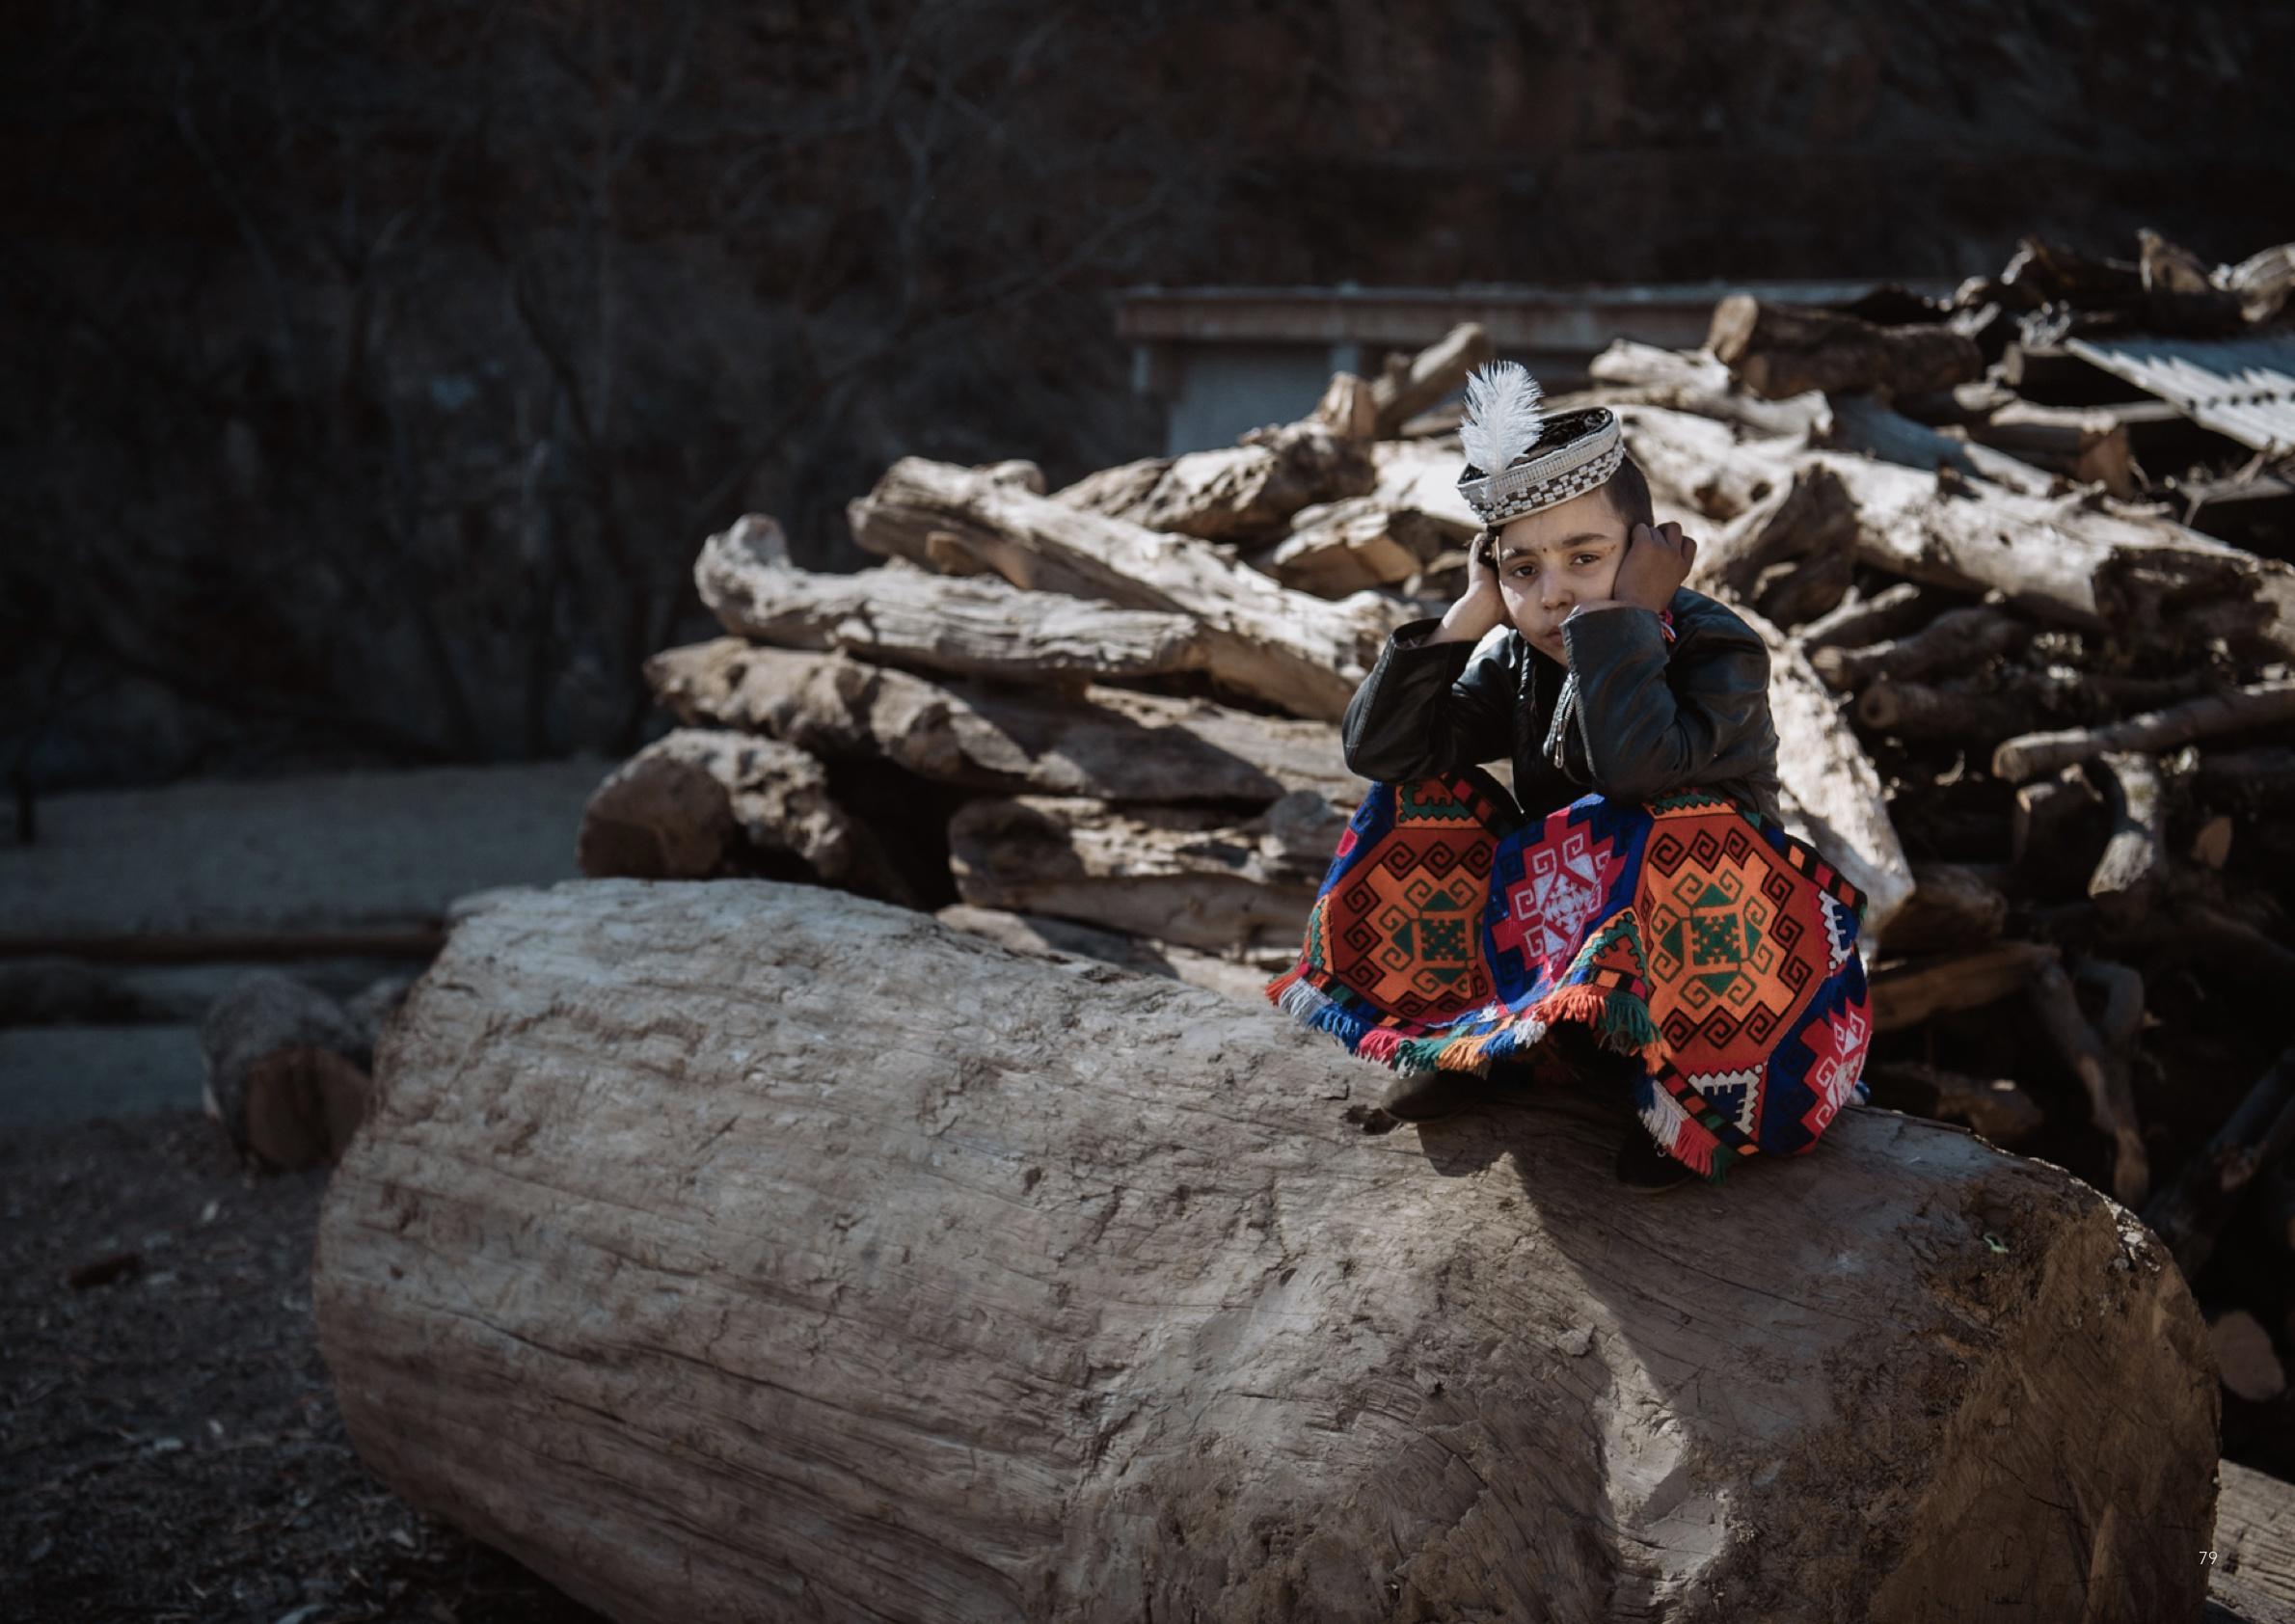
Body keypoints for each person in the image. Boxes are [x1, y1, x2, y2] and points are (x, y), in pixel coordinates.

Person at [1264, 361, 1873, 1194]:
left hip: (1724, 958)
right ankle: (1485, 1044)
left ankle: (1690, 1105)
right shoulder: (1518, 655)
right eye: (1524, 570)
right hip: (1583, 941)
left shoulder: (1718, 648)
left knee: (1652, 825)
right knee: (1420, 793)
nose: (1553, 596)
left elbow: (1635, 773)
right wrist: (1467, 618)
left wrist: (1624, 619)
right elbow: (1385, 752)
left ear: (1649, 554)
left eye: (1586, 558)